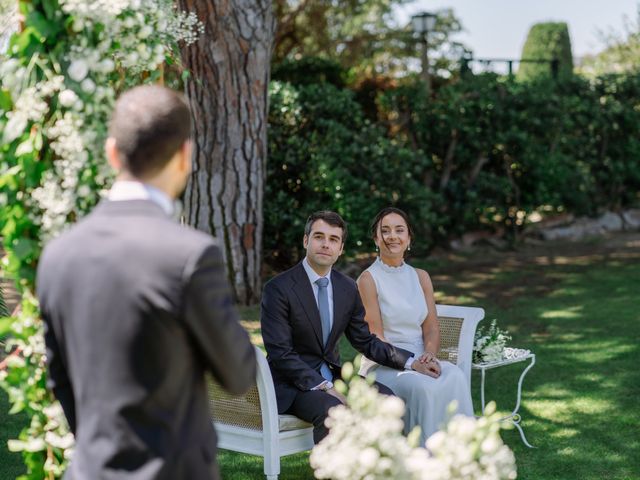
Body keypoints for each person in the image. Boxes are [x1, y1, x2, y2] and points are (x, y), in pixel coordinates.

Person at [36, 85, 256, 480]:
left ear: (112, 152)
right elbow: (239, 374)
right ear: (186, 156)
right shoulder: (190, 255)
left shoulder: (57, 255)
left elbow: (61, 381)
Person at [260, 210, 435, 443]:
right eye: (319, 237)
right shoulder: (279, 289)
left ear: (341, 248)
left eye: (333, 239)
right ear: (306, 241)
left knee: (389, 402)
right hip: (293, 384)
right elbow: (281, 353)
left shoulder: (347, 288)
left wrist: (412, 362)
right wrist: (324, 387)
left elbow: (365, 340)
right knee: (335, 411)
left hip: (334, 375)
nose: (326, 244)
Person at [357, 207, 474, 444]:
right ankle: (424, 458)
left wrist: (430, 355)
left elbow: (431, 327)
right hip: (386, 363)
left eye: (399, 230)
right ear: (376, 238)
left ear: (409, 238)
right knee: (421, 386)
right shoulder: (368, 279)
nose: (393, 236)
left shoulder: (421, 276)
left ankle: (460, 453)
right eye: (385, 231)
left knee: (455, 376)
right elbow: (376, 337)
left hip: (423, 356)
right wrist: (412, 364)